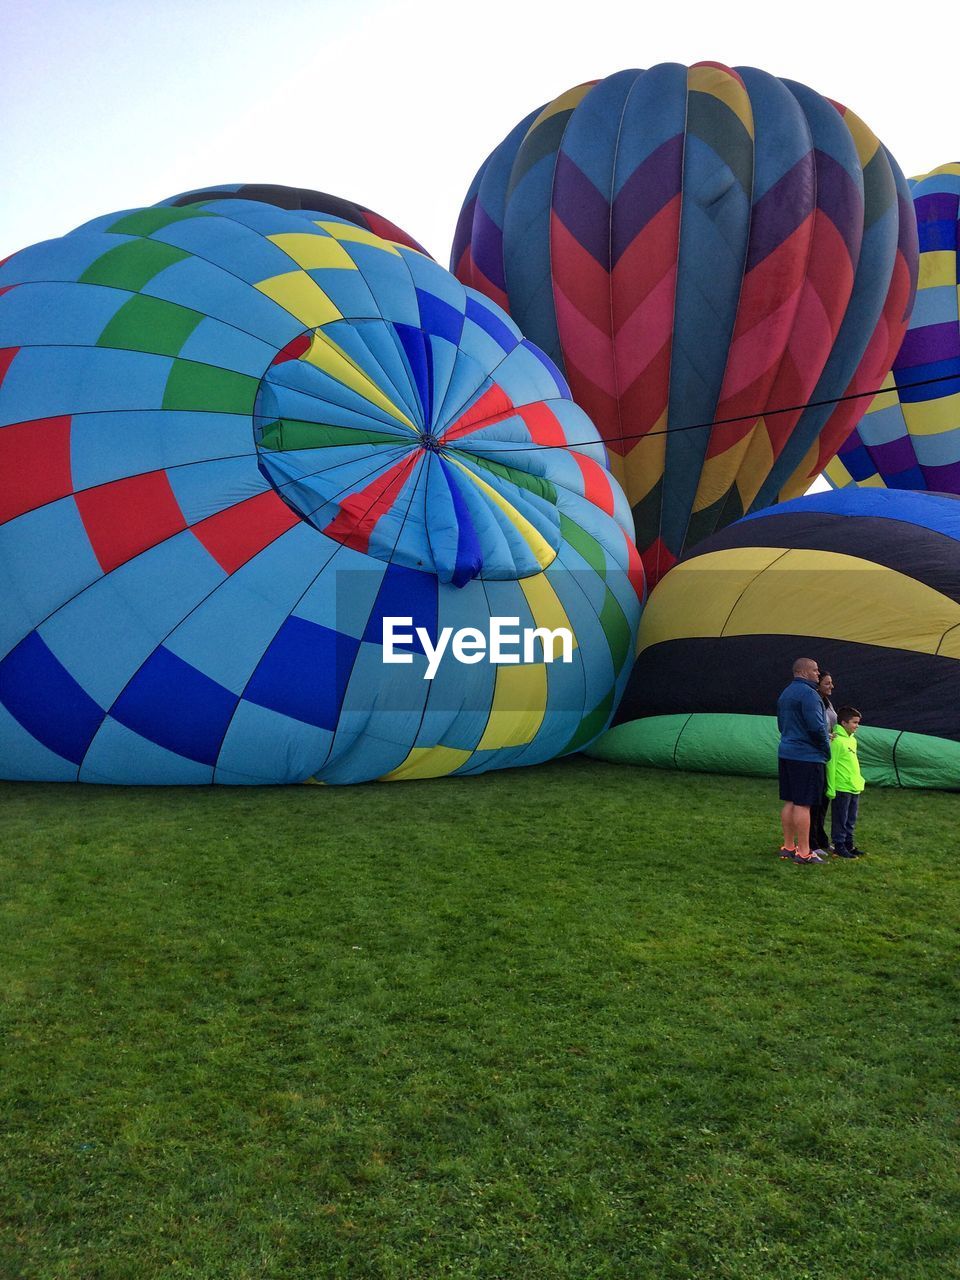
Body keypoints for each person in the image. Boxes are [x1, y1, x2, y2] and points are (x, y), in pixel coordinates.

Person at [776, 657, 831, 864]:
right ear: (804, 672)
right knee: (803, 804)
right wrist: (826, 750)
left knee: (790, 801)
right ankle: (804, 851)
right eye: (816, 671)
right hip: (807, 756)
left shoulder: (786, 693)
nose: (818, 674)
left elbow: (781, 725)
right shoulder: (810, 695)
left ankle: (788, 846)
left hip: (786, 752)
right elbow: (817, 728)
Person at [827, 706, 867, 858]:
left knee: (851, 818)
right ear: (844, 723)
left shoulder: (852, 740)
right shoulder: (837, 741)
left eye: (858, 722)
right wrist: (831, 787)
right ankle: (839, 844)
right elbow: (831, 764)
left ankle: (849, 844)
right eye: (854, 722)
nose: (857, 726)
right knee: (840, 818)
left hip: (853, 786)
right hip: (841, 787)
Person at [809, 671, 837, 855]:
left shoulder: (827, 702)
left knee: (824, 798)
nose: (832, 686)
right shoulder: (813, 701)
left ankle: (821, 838)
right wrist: (826, 736)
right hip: (815, 755)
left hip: (826, 755)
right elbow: (813, 727)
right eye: (827, 683)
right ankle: (812, 842)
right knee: (815, 801)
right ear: (818, 684)